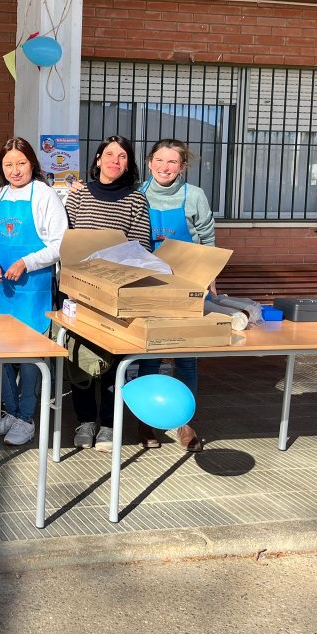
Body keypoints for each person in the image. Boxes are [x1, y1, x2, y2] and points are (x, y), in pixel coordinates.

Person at [64, 135, 152, 453]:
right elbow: (66, 240)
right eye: (109, 154)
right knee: (81, 360)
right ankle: (85, 420)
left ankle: (110, 425)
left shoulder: (136, 200)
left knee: (116, 362)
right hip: (81, 292)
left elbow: (141, 246)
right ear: (98, 159)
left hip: (118, 293)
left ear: (128, 164)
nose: (115, 160)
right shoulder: (78, 196)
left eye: (123, 156)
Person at [0, 137, 66, 446]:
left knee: (29, 358)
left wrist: (26, 262)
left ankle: (26, 417)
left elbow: (59, 243)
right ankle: (10, 412)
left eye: (21, 163)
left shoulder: (45, 196)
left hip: (32, 290)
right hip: (0, 290)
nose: (15, 170)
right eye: (8, 164)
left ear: (32, 164)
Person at [135, 138, 215, 452]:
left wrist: (210, 275)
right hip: (150, 286)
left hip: (189, 285)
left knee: (187, 359)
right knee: (150, 358)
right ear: (149, 162)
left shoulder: (194, 196)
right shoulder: (138, 196)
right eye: (159, 161)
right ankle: (147, 420)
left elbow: (208, 238)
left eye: (172, 162)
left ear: (181, 167)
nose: (165, 167)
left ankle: (185, 421)